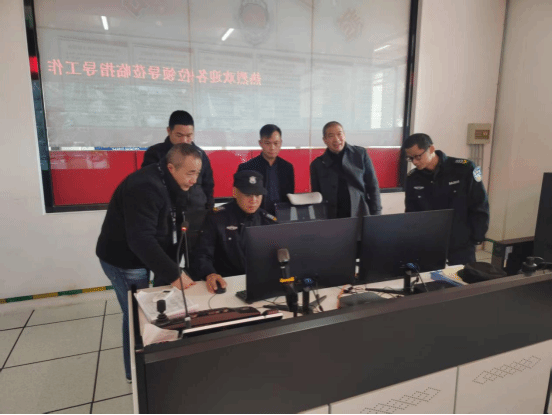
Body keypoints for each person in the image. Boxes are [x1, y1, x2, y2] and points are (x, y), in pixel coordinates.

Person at [96, 143, 202, 382]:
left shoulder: (175, 184)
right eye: (190, 173)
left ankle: (156, 360)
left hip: (146, 255)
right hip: (124, 260)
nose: (194, 180)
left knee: (152, 311)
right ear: (171, 168)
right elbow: (140, 239)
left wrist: (175, 268)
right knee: (136, 317)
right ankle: (134, 374)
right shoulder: (145, 187)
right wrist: (174, 273)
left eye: (197, 173)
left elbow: (173, 227)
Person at [403, 133, 490, 265]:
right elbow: (411, 212)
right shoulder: (413, 178)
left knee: (462, 276)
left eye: (418, 156)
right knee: (429, 277)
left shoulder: (465, 168)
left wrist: (477, 237)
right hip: (429, 243)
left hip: (461, 243)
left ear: (431, 149)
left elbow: (479, 204)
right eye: (410, 158)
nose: (414, 162)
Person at [193, 170, 278, 293]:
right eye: (248, 195)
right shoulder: (217, 218)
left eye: (258, 195)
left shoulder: (268, 221)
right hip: (226, 283)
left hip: (260, 283)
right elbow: (202, 254)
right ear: (235, 192)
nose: (254, 200)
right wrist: (210, 273)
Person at [142, 110, 215, 209]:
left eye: (189, 136)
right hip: (167, 210)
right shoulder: (155, 153)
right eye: (179, 135)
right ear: (169, 131)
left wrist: (209, 210)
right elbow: (149, 185)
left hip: (196, 210)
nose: (184, 141)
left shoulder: (200, 154)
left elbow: (208, 186)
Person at [310, 121, 382, 218]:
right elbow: (316, 197)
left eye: (339, 134)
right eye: (331, 136)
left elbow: (373, 186)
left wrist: (376, 213)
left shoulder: (360, 154)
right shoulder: (317, 164)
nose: (336, 139)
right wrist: (319, 219)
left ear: (344, 135)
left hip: (360, 213)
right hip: (331, 217)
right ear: (325, 140)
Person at [237, 124, 295, 215]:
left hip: (281, 216)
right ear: (260, 143)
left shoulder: (287, 167)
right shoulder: (247, 168)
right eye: (267, 143)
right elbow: (240, 198)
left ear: (281, 143)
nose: (272, 148)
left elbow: (290, 196)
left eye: (276, 143)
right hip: (255, 217)